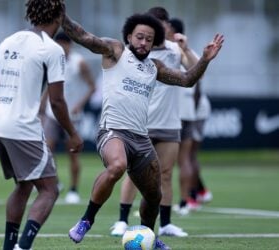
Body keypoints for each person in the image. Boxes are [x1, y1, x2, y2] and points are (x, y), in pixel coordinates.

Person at [61, 7, 223, 250]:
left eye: (149, 39)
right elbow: (83, 36)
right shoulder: (115, 51)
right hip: (113, 130)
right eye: (139, 36)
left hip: (140, 136)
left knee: (154, 195)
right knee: (117, 166)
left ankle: (148, 235)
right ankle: (86, 220)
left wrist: (204, 60)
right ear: (129, 37)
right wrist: (61, 15)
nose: (144, 42)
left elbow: (187, 80)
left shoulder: (153, 67)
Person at [0, 1, 83, 249]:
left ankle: (10, 246)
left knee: (24, 185)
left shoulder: (9, 40)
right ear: (59, 15)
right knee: (50, 188)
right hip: (23, 127)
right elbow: (57, 102)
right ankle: (23, 246)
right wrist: (73, 133)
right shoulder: (53, 49)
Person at [110, 7, 199, 238]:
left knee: (166, 174)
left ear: (166, 27)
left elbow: (194, 70)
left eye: (162, 24)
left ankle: (166, 223)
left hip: (169, 122)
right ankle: (121, 220)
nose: (159, 29)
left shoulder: (174, 49)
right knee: (133, 173)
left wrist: (186, 48)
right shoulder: (137, 51)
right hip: (141, 123)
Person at [41, 31, 95, 204]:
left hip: (72, 115)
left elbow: (92, 87)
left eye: (64, 45)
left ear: (69, 45)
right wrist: (42, 104)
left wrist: (80, 104)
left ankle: (73, 189)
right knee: (46, 151)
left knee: (72, 153)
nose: (61, 48)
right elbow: (50, 86)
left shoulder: (80, 63)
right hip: (52, 112)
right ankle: (55, 182)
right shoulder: (52, 61)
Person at [168, 18, 213, 215]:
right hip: (186, 111)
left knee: (180, 159)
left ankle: (188, 199)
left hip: (179, 112)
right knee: (185, 158)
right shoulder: (183, 50)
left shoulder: (174, 49)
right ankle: (189, 199)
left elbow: (198, 78)